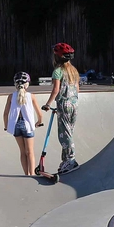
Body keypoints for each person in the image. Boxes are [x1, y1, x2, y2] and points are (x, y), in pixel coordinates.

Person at [42, 42, 80, 174]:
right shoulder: (74, 71)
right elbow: (77, 89)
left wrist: (48, 104)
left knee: (64, 134)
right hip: (74, 104)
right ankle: (65, 160)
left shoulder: (57, 71)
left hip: (64, 104)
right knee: (69, 132)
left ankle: (71, 160)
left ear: (57, 57)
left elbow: (56, 90)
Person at [3, 72, 44, 176]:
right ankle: (32, 174)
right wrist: (39, 122)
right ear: (27, 84)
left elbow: (5, 114)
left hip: (15, 125)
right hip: (27, 125)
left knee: (22, 151)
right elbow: (40, 114)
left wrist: (6, 126)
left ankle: (26, 174)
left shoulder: (11, 96)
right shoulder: (31, 96)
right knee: (30, 152)